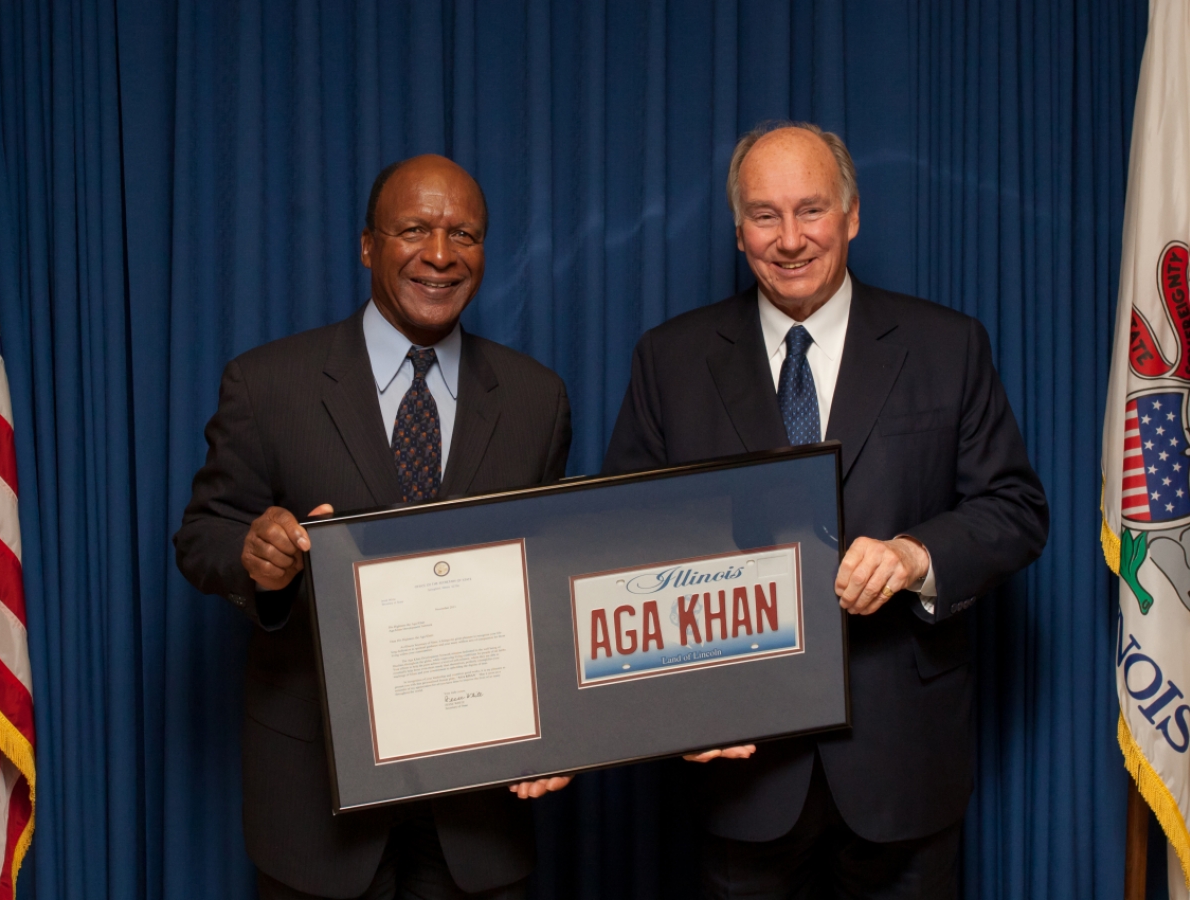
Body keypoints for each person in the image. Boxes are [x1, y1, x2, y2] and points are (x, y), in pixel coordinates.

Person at [603, 122, 1049, 898]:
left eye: (811, 210)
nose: (789, 239)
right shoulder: (670, 360)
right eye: (764, 215)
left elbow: (1015, 510)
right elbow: (622, 545)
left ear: (851, 216)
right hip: (741, 774)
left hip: (903, 767)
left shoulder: (948, 346)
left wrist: (916, 555)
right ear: (738, 231)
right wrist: (675, 704)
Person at [175, 155, 573, 900]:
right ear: (367, 246)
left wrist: (560, 730)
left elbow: (547, 586)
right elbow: (203, 535)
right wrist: (257, 558)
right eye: (415, 229)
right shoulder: (268, 385)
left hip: (478, 807)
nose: (440, 254)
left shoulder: (535, 400)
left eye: (465, 234)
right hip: (317, 800)